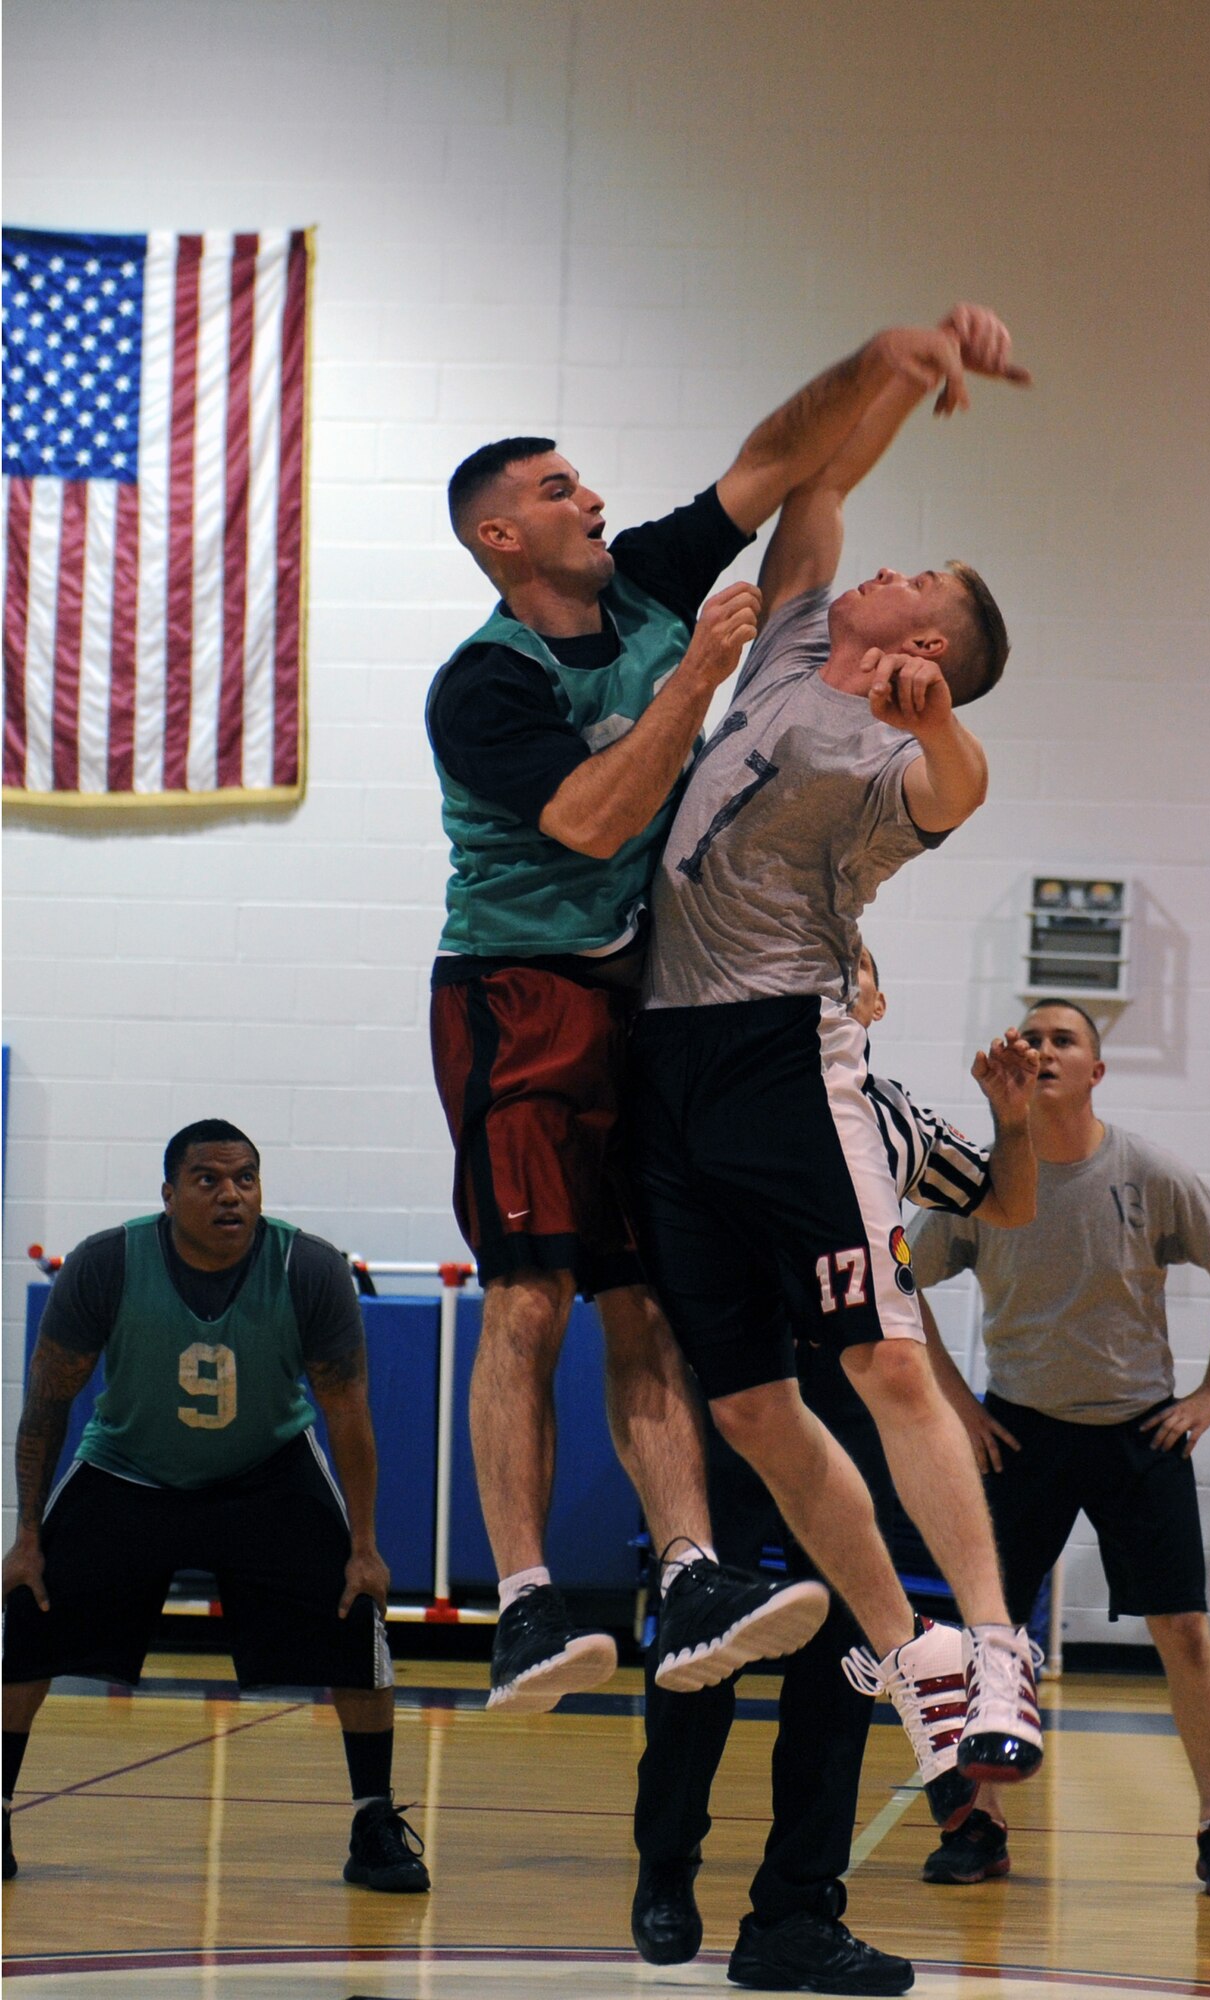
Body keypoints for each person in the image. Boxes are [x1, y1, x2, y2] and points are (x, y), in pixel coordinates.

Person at [431, 316, 984, 1712]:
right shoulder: (486, 682)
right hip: (521, 985)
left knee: (647, 1305)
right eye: (557, 491)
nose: (593, 499)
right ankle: (521, 1598)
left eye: (584, 482)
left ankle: (688, 1575)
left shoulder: (658, 588)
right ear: (500, 538)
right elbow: (591, 815)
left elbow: (780, 469)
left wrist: (888, 363)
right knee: (530, 1288)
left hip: (667, 1005)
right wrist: (693, 679)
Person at [628, 301, 1045, 1841]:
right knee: (743, 1404)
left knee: (877, 1355)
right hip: (664, 1056)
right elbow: (810, 493)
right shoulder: (802, 634)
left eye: (913, 580)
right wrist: (898, 362)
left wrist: (940, 732)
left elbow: (962, 791)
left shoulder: (891, 751)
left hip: (775, 1049)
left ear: (924, 645)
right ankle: (908, 1652)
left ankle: (994, 1642)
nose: (882, 563)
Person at [631, 944, 1038, 1996]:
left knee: (848, 1665)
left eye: (842, 966)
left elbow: (1001, 1200)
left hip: (843, 1402)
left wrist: (1016, 1116)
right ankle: (664, 1861)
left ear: (869, 995)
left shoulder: (886, 1114)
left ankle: (795, 1911)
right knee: (701, 1642)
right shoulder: (706, 1088)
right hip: (732, 1400)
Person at [1, 1121, 429, 1894]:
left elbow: (349, 1414)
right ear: (169, 1195)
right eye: (208, 1180)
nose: (230, 1194)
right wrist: (26, 1534)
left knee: (354, 1612)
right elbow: (44, 1407)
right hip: (127, 1468)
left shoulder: (309, 1267)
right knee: (29, 1611)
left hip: (265, 1472)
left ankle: (373, 1824)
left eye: (245, 1179)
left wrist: (364, 1543)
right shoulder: (106, 1263)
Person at [910, 999, 1210, 1899]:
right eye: (1028, 1038)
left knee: (1183, 1629)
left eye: (1061, 1038)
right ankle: (980, 1825)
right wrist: (955, 1404)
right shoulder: (985, 1180)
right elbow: (899, 1280)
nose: (1040, 1050)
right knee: (990, 1638)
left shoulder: (1144, 1170)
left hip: (1137, 1430)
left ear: (1096, 1072)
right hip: (1018, 1432)